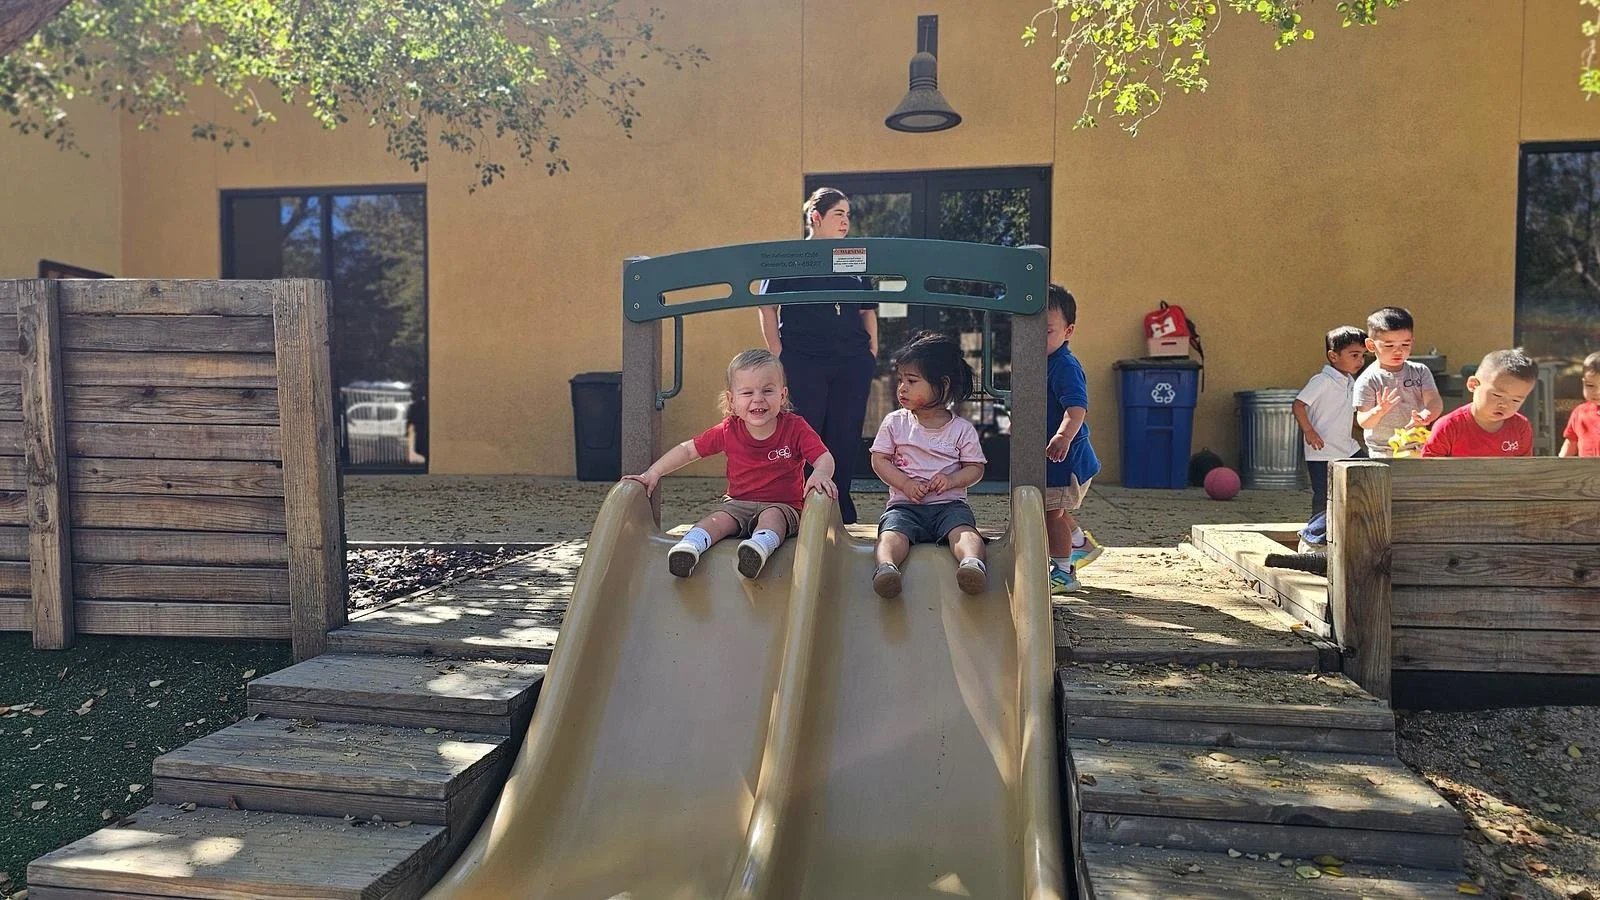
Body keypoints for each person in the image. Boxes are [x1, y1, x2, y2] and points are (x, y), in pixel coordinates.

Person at [623, 349, 836, 579]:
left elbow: (824, 457)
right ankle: (690, 547)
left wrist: (821, 473)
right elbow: (688, 450)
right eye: (747, 392)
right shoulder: (728, 430)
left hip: (783, 505)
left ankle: (757, 549)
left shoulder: (795, 427)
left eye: (767, 390)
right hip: (737, 503)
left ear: (782, 395)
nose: (758, 399)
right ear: (732, 400)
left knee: (772, 517)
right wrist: (653, 472)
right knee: (718, 520)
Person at [757, 187, 878, 525]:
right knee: (805, 431)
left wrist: (872, 350)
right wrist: (778, 352)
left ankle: (839, 509)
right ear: (816, 217)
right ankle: (803, 506)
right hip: (803, 359)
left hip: (851, 360)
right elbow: (766, 306)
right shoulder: (790, 257)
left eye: (848, 215)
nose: (845, 221)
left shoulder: (854, 258)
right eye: (839, 214)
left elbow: (867, 308)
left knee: (845, 432)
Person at [868, 332, 988, 600]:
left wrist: (952, 480)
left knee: (964, 532)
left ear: (942, 384)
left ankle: (971, 564)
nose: (902, 388)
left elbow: (975, 468)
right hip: (905, 506)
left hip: (949, 506)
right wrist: (905, 483)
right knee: (891, 534)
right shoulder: (895, 423)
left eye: (912, 381)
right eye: (901, 380)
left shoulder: (961, 429)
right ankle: (886, 568)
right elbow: (879, 459)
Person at [1043, 285, 1103, 595]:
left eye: (1047, 331)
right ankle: (1079, 543)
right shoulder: (1041, 361)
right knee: (1051, 507)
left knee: (1051, 514)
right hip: (1055, 460)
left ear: (1068, 331)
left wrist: (1063, 435)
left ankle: (1064, 571)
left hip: (1066, 461)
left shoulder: (1065, 365)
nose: (1037, 338)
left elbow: (1076, 408)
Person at [1291, 325, 1367, 551]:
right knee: (1324, 497)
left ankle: (1347, 534)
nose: (1360, 361)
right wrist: (1309, 431)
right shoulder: (1322, 380)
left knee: (1370, 476)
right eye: (1354, 355)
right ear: (1333, 356)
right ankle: (1311, 541)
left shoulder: (1350, 381)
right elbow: (1298, 405)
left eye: (1363, 355)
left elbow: (1347, 414)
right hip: (1322, 451)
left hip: (1347, 448)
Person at [1354, 306, 1443, 457]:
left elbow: (1434, 401)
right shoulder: (1368, 379)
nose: (1398, 351)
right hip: (1384, 452)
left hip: (1418, 447)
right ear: (1371, 345)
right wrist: (1378, 411)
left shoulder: (1420, 371)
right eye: (1389, 345)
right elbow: (1363, 421)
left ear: (1412, 341)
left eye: (1405, 344)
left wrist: (1426, 414)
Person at [1421, 349, 1537, 458]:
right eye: (1497, 395)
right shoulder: (1448, 427)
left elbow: (1525, 468)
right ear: (1473, 385)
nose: (1505, 405)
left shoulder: (1521, 427)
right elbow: (1428, 468)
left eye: (1516, 400)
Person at [1560, 351, 1600, 457]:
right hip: (1586, 468)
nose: (1597, 392)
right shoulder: (1580, 412)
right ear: (1583, 383)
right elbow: (1570, 443)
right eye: (1590, 385)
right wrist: (1558, 465)